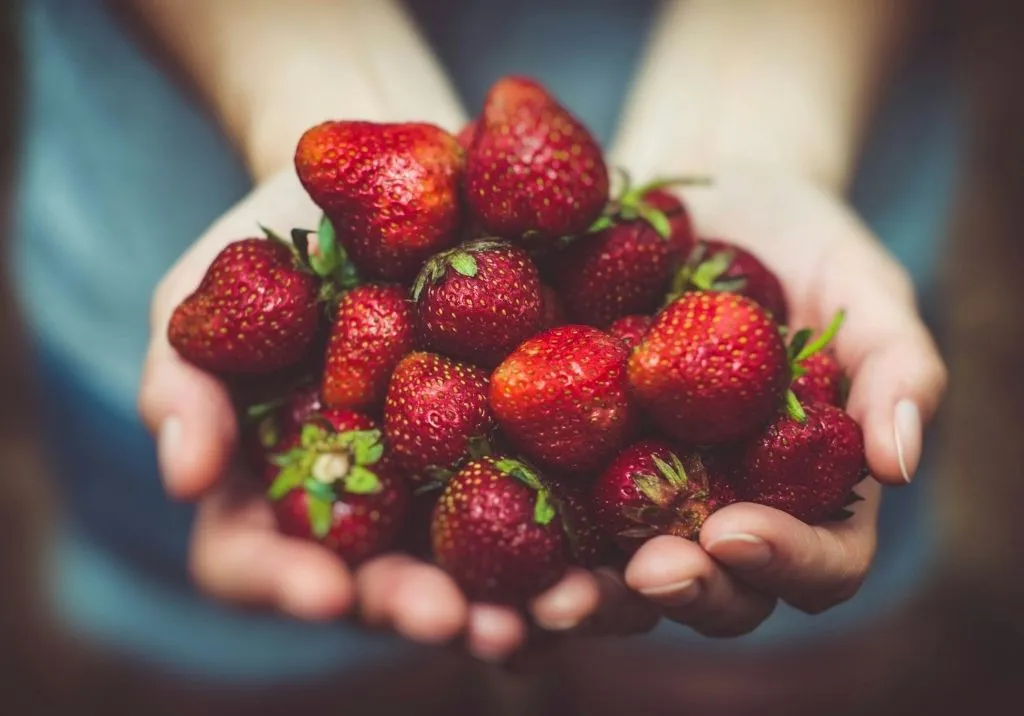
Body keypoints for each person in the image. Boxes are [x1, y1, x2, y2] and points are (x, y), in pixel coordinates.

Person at [10, 0, 951, 690]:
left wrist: (761, 131)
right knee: (256, 678)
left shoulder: (628, 343)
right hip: (159, 188)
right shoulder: (466, 334)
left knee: (743, 679)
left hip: (825, 99)